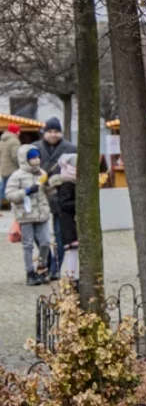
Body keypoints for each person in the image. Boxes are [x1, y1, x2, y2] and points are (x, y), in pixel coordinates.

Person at [7, 145, 53, 285]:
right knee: (28, 245)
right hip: (25, 215)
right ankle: (30, 273)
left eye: (37, 156)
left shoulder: (41, 173)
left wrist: (49, 185)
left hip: (42, 214)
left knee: (45, 242)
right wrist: (26, 191)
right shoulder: (17, 176)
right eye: (32, 157)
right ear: (25, 159)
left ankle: (41, 268)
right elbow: (10, 195)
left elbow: (47, 191)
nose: (36, 159)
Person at [37, 117, 76, 281]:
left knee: (60, 234)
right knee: (41, 236)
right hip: (40, 197)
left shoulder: (71, 148)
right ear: (44, 133)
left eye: (56, 131)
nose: (53, 135)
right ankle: (46, 262)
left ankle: (55, 267)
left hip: (62, 197)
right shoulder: (35, 148)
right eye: (50, 131)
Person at [50, 154, 80, 284]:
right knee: (73, 251)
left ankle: (74, 276)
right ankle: (71, 277)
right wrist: (80, 203)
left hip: (73, 221)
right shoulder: (67, 183)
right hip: (69, 223)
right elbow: (64, 204)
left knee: (76, 251)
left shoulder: (74, 181)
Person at [1, 124, 21, 201]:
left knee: (3, 188)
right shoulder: (14, 141)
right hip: (12, 170)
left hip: (3, 169)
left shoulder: (3, 140)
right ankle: (12, 204)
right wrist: (20, 166)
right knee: (13, 189)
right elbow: (16, 156)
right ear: (17, 132)